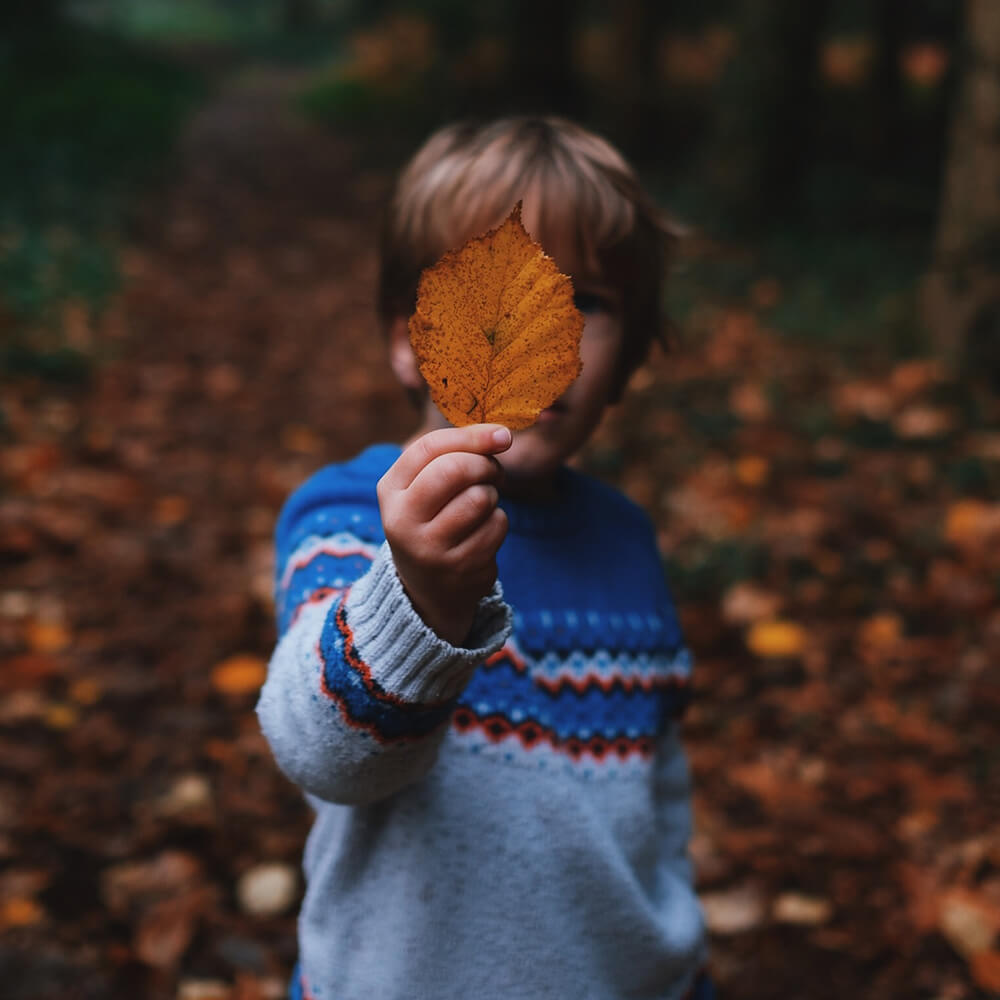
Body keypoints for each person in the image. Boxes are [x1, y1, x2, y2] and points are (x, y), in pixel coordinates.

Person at [257, 116, 713, 1000]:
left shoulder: (627, 542)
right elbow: (325, 756)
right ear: (408, 338)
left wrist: (677, 957)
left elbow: (659, 800)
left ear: (627, 361)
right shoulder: (352, 518)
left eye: (588, 302)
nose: (547, 336)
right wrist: (418, 598)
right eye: (485, 296)